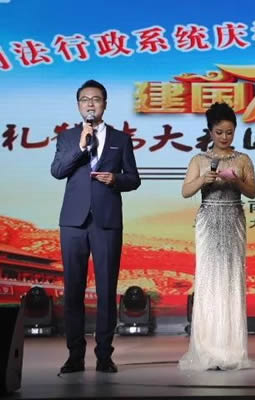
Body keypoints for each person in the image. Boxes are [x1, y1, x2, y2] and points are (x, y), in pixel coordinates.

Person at [51, 80, 141, 374]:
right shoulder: (67, 138)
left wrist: (116, 179)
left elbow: (134, 178)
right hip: (73, 222)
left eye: (96, 99)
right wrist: (81, 146)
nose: (90, 104)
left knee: (106, 290)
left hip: (106, 221)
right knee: (73, 290)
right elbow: (57, 171)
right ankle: (75, 356)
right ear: (78, 105)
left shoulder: (121, 139)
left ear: (105, 104)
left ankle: (104, 355)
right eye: (85, 99)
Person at [179, 102, 255, 371]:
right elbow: (186, 191)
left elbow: (253, 192)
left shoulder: (243, 159)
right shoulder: (199, 160)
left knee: (232, 280)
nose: (225, 137)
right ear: (210, 132)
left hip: (234, 218)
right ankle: (207, 349)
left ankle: (231, 351)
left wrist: (236, 181)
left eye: (229, 132)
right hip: (209, 220)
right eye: (219, 132)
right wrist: (204, 179)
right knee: (209, 281)